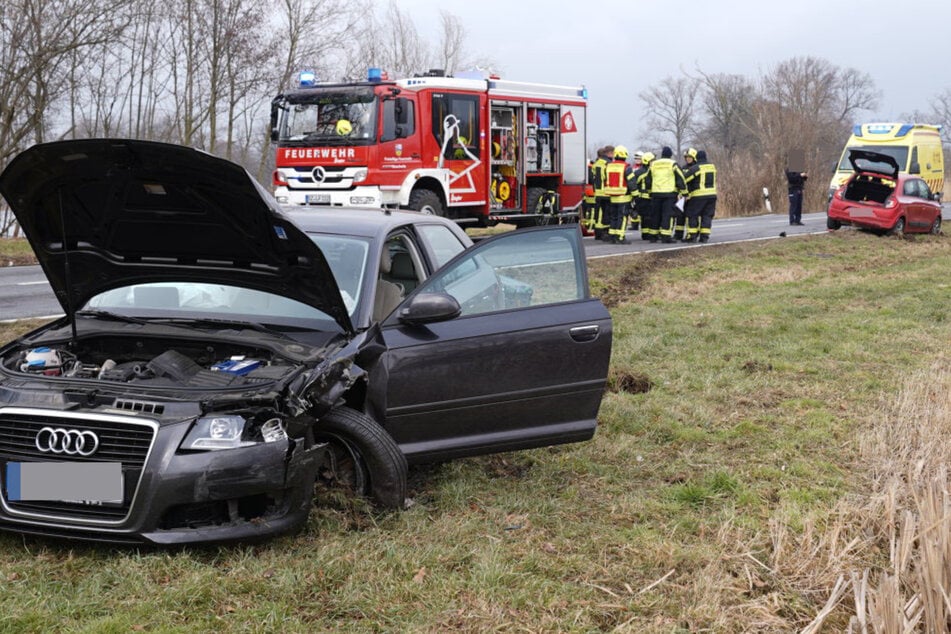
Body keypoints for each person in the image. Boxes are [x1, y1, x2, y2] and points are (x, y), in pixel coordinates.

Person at [645, 146, 687, 243]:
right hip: (669, 194)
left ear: (662, 154)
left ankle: (653, 235)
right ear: (670, 155)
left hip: (656, 194)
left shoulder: (653, 164)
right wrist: (684, 192)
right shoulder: (673, 164)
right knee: (667, 215)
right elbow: (681, 179)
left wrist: (650, 192)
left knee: (655, 214)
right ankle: (666, 236)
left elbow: (648, 179)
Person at [602, 145, 636, 244]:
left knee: (613, 217)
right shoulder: (627, 167)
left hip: (612, 196)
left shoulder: (608, 166)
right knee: (622, 217)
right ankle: (620, 237)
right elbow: (632, 183)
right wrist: (635, 195)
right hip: (623, 197)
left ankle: (612, 236)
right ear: (624, 155)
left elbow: (605, 179)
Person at [683, 150, 718, 242]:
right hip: (712, 195)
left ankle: (692, 236)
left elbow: (685, 179)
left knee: (692, 215)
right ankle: (704, 236)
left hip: (699, 195)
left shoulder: (696, 168)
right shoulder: (712, 166)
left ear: (696, 158)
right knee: (707, 215)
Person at [592, 146, 614, 240]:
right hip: (606, 192)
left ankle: (598, 233)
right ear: (609, 153)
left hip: (597, 192)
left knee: (598, 213)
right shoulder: (608, 163)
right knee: (606, 214)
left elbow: (593, 176)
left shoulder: (597, 163)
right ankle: (605, 233)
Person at [635, 152, 655, 240]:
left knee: (645, 217)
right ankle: (648, 234)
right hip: (647, 198)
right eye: (652, 161)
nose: (653, 162)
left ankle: (645, 233)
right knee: (648, 216)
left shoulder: (638, 172)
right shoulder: (647, 172)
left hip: (642, 198)